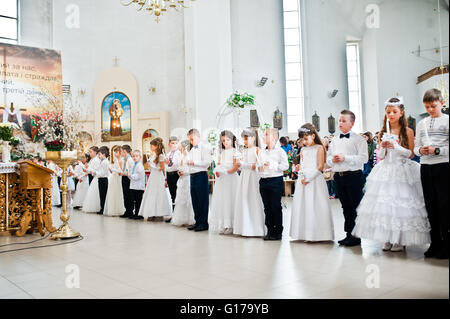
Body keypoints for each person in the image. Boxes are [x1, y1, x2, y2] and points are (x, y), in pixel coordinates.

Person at [353, 97, 431, 252]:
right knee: (385, 206)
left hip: (402, 169)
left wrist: (396, 146)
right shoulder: (383, 131)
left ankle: (400, 240)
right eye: (388, 112)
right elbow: (382, 154)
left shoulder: (407, 131)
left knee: (401, 205)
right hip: (386, 169)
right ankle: (388, 238)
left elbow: (410, 154)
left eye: (394, 112)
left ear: (401, 113)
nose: (391, 115)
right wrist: (383, 146)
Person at [415, 89, 449, 259]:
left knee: (444, 206)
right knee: (430, 205)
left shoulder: (447, 121)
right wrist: (420, 150)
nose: (429, 110)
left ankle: (446, 244)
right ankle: (434, 242)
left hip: (443, 166)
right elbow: (415, 147)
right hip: (426, 166)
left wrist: (438, 150)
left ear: (442, 103)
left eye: (433, 106)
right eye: (427, 107)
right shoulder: (421, 124)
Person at [326, 110, 368, 247]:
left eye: (344, 121)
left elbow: (364, 158)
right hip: (339, 176)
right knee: (345, 207)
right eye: (339, 120)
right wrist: (333, 160)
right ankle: (348, 233)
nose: (340, 123)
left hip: (354, 176)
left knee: (355, 206)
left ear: (352, 123)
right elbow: (328, 158)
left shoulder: (359, 139)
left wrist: (346, 158)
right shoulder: (335, 140)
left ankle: (357, 235)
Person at [290, 124, 334, 242]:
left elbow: (319, 166)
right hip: (303, 179)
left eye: (306, 138)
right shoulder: (303, 149)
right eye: (302, 139)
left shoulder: (319, 148)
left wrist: (309, 178)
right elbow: (304, 163)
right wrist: (300, 167)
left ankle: (318, 234)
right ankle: (304, 233)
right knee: (304, 205)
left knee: (315, 205)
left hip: (314, 180)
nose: (304, 142)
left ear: (313, 136)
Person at [257, 128, 289, 241]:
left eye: (266, 134)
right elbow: (258, 166)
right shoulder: (261, 151)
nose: (264, 136)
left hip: (275, 180)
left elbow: (286, 166)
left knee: (276, 206)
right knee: (267, 207)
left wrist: (273, 165)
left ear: (274, 137)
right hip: (264, 180)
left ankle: (278, 231)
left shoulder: (280, 151)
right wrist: (260, 167)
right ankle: (269, 230)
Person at [233, 128, 266, 237]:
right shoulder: (244, 150)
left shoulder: (257, 150)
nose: (245, 142)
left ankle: (256, 228)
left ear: (253, 138)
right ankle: (244, 227)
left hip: (253, 177)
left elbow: (257, 166)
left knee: (253, 199)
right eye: (243, 140)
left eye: (246, 139)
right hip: (244, 177)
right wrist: (238, 163)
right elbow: (240, 164)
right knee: (243, 199)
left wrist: (243, 164)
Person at [209, 130, 241, 234]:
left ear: (232, 140)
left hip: (231, 179)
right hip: (222, 180)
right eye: (223, 140)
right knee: (223, 201)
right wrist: (217, 171)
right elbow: (219, 164)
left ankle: (231, 224)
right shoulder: (222, 153)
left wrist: (226, 171)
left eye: (227, 140)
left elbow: (236, 167)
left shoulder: (235, 152)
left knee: (230, 200)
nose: (225, 142)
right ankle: (223, 223)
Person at [139, 138, 173, 221]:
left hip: (158, 176)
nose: (150, 147)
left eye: (152, 145)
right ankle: (151, 212)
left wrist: (152, 165)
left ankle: (158, 213)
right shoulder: (153, 155)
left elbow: (161, 168)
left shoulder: (161, 155)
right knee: (151, 194)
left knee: (158, 194)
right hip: (153, 176)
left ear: (157, 146)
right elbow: (153, 167)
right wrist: (150, 166)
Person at [184, 129, 212, 232]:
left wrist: (194, 162)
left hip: (201, 175)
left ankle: (204, 223)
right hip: (193, 176)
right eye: (189, 140)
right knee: (195, 199)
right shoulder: (191, 150)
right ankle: (198, 221)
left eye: (192, 139)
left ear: (198, 136)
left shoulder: (205, 148)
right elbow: (188, 161)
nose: (191, 142)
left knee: (202, 200)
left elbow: (207, 163)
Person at [171, 140, 195, 227]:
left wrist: (184, 172)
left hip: (188, 179)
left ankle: (190, 218)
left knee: (189, 199)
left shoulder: (190, 157)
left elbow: (191, 169)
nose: (180, 148)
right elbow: (181, 167)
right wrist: (179, 172)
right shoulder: (182, 157)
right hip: (182, 179)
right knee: (181, 199)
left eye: (181, 147)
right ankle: (182, 218)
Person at [165, 136, 183, 221]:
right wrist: (165, 179)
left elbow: (178, 164)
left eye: (176, 143)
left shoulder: (179, 153)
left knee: (177, 194)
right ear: (169, 144)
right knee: (172, 195)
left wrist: (170, 162)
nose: (174, 145)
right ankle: (173, 214)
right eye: (172, 143)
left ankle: (177, 215)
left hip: (176, 174)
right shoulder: (168, 154)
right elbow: (166, 167)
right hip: (169, 175)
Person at [104, 147, 125, 217]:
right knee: (112, 193)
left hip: (117, 178)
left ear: (120, 152)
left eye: (116, 152)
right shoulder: (116, 160)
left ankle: (118, 209)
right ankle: (113, 209)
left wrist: (112, 169)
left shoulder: (121, 160)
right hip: (113, 177)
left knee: (117, 193)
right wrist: (111, 169)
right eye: (114, 152)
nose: (115, 154)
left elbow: (121, 171)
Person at [82, 148, 102, 214]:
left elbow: (96, 169)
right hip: (93, 176)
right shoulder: (92, 160)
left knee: (95, 192)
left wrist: (88, 170)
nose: (89, 153)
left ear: (95, 152)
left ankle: (97, 206)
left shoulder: (96, 160)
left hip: (95, 177)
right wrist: (87, 169)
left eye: (91, 152)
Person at [128, 150, 146, 220]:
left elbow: (139, 175)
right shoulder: (134, 164)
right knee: (135, 200)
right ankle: (136, 213)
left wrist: (131, 176)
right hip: (134, 186)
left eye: (136, 156)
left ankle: (139, 214)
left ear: (140, 157)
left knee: (138, 201)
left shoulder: (140, 165)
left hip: (138, 187)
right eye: (133, 156)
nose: (134, 157)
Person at [119, 145, 134, 218]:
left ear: (125, 152)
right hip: (124, 178)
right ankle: (127, 210)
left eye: (121, 151)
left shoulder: (130, 159)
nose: (121, 153)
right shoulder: (124, 159)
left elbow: (131, 170)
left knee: (129, 194)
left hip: (128, 178)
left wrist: (124, 173)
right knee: (125, 194)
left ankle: (130, 210)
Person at [96, 146, 110, 215]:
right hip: (101, 179)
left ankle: (103, 208)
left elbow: (104, 172)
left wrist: (96, 173)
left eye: (99, 154)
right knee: (101, 194)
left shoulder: (105, 162)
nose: (98, 156)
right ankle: (102, 207)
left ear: (104, 154)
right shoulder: (102, 161)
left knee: (103, 194)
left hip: (104, 179)